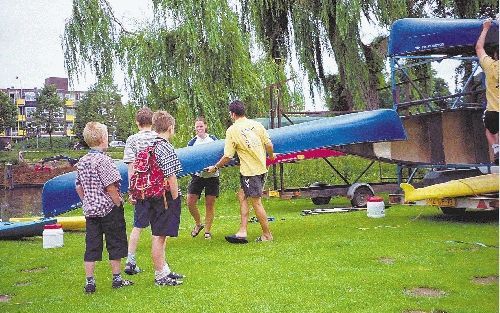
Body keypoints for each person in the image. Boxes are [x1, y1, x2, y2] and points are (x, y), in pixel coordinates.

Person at [75, 122, 133, 294]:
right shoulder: (105, 161)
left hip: (91, 210)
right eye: (107, 136)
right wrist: (118, 202)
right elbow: (111, 186)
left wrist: (87, 201)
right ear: (102, 139)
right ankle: (117, 278)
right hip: (108, 209)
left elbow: (78, 186)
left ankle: (90, 282)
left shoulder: (82, 161)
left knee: (92, 244)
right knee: (115, 241)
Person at [207, 100, 274, 243]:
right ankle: (242, 231)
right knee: (242, 195)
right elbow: (269, 145)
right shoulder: (257, 125)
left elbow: (227, 156)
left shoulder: (232, 130)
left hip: (251, 172)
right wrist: (271, 157)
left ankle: (267, 235)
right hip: (259, 169)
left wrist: (215, 167)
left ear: (232, 114)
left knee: (256, 202)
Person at [148, 110, 184, 286]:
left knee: (160, 234)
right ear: (170, 128)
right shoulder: (165, 146)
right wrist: (176, 199)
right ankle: (159, 275)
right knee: (160, 235)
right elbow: (171, 176)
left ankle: (164, 270)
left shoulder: (151, 145)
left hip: (152, 194)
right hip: (164, 196)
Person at [122, 107, 157, 275]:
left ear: (137, 122)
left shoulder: (132, 140)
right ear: (152, 122)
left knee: (138, 226)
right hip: (157, 188)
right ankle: (160, 262)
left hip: (141, 189)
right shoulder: (159, 138)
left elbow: (131, 168)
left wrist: (132, 191)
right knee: (158, 227)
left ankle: (130, 260)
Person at [186, 117, 220, 240]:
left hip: (212, 176)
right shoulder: (192, 143)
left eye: (201, 126)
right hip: (198, 176)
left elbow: (220, 155)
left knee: (209, 204)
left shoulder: (213, 139)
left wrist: (215, 167)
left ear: (205, 126)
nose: (199, 129)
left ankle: (207, 231)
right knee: (190, 202)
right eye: (197, 127)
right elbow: (190, 161)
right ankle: (198, 223)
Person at [475, 19, 499, 164]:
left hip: (492, 112)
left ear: (496, 55)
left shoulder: (490, 66)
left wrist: (485, 28)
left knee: (489, 129)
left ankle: (496, 149)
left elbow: (479, 48)